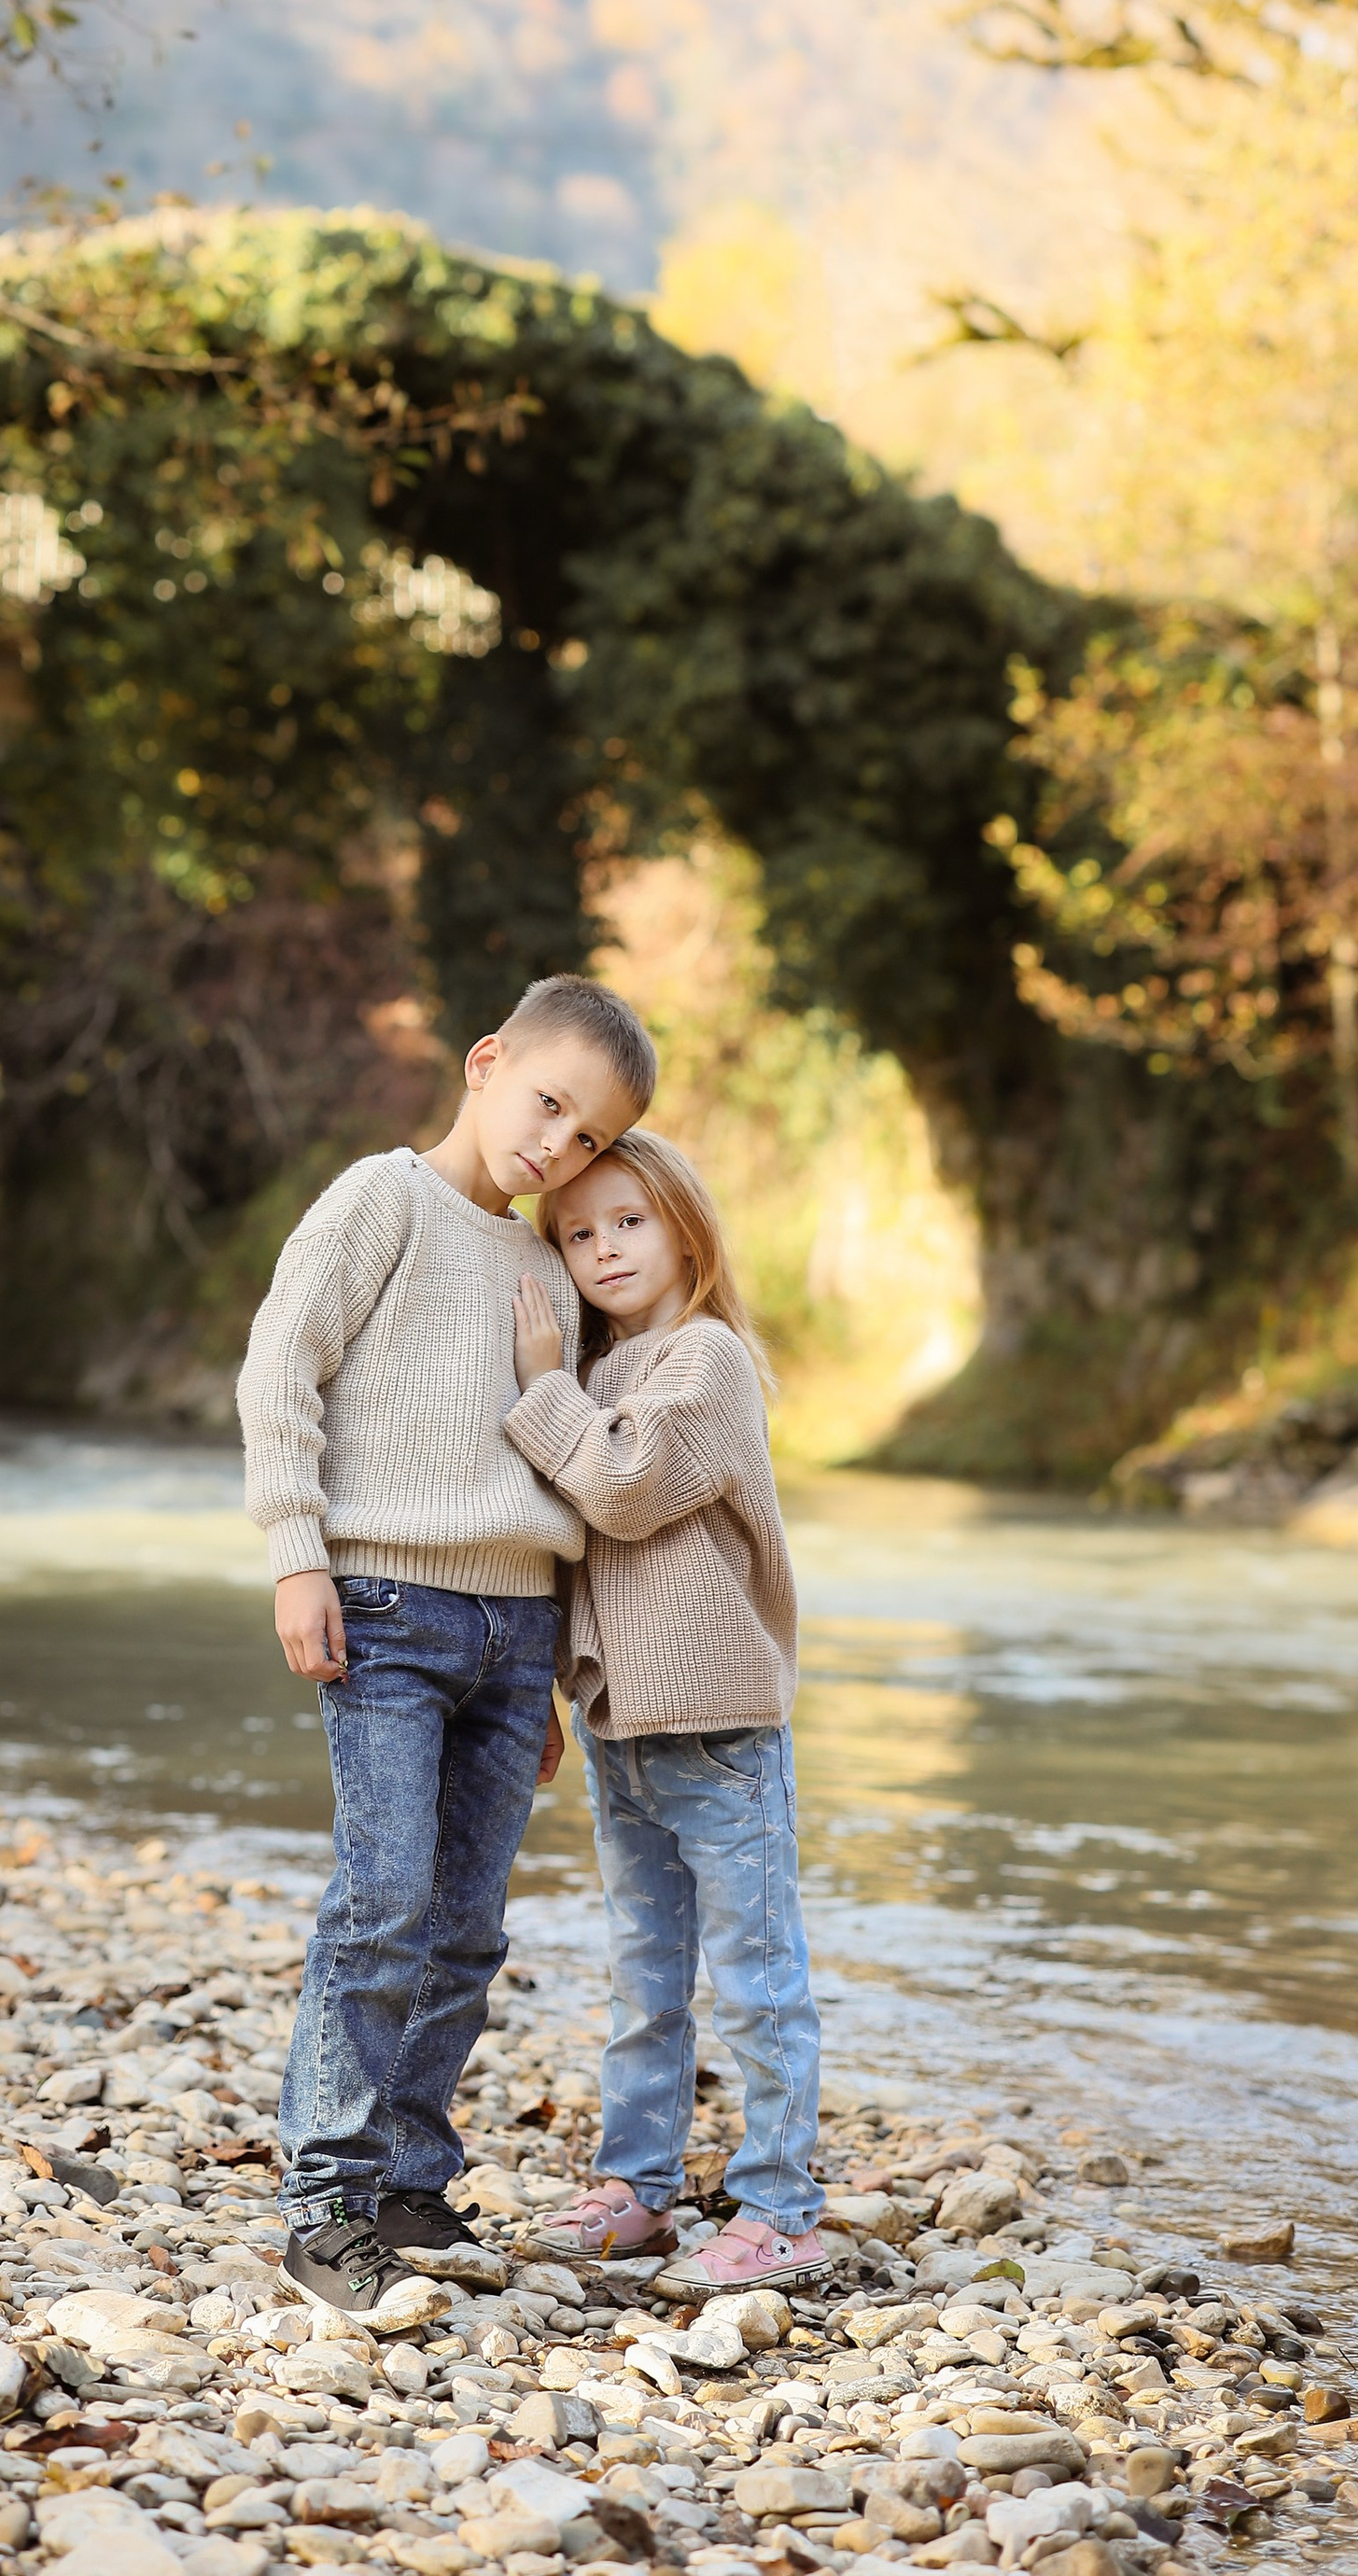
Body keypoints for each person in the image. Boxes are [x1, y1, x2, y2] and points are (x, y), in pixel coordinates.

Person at [237, 972, 658, 2313]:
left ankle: (408, 2177)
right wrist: (297, 1552)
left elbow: (559, 1467)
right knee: (384, 1905)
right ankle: (323, 2201)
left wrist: (552, 1672)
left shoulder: (549, 1266)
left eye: (591, 1138)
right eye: (549, 1104)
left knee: (467, 1926)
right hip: (385, 1607)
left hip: (516, 1629)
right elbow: (279, 1368)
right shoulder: (382, 1201)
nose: (559, 1147)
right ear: (486, 1064)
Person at [505, 1125, 824, 2283]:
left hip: (720, 1728)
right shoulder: (593, 1378)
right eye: (576, 1234)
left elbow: (625, 1489)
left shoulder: (706, 1359)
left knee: (755, 1978)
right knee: (644, 1976)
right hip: (620, 1730)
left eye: (629, 1221)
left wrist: (540, 1388)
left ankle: (781, 2209)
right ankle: (636, 2188)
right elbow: (568, 1552)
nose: (603, 1248)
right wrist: (548, 1690)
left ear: (685, 1229)